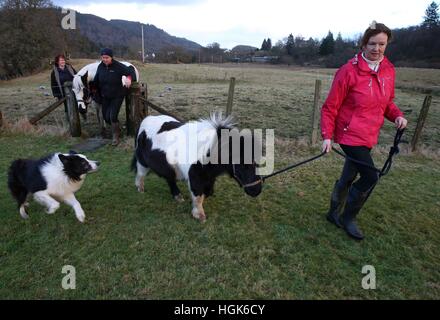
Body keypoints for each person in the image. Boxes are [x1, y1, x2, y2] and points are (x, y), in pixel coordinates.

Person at [320, 22, 408, 240]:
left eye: (381, 44)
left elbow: (387, 102)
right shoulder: (348, 71)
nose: (376, 48)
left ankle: (333, 212)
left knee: (349, 174)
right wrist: (327, 136)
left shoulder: (388, 70)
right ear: (363, 43)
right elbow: (330, 106)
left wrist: (396, 115)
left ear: (387, 45)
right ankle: (348, 217)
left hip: (369, 134)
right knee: (370, 176)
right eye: (372, 43)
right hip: (349, 133)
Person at [93, 48, 135, 146]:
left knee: (113, 116)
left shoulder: (118, 66)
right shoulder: (100, 67)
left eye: (107, 57)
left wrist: (129, 78)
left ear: (111, 57)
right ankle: (118, 129)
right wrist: (93, 88)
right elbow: (96, 79)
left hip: (117, 95)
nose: (105, 59)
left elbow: (130, 71)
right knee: (106, 117)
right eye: (103, 57)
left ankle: (115, 136)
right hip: (105, 96)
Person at [50, 54, 76, 120]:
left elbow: (76, 75)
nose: (63, 61)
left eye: (63, 60)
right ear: (57, 62)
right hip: (63, 93)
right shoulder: (54, 72)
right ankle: (69, 119)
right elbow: (53, 84)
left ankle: (78, 116)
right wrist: (56, 95)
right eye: (61, 60)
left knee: (76, 105)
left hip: (73, 90)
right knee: (67, 106)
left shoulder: (70, 68)